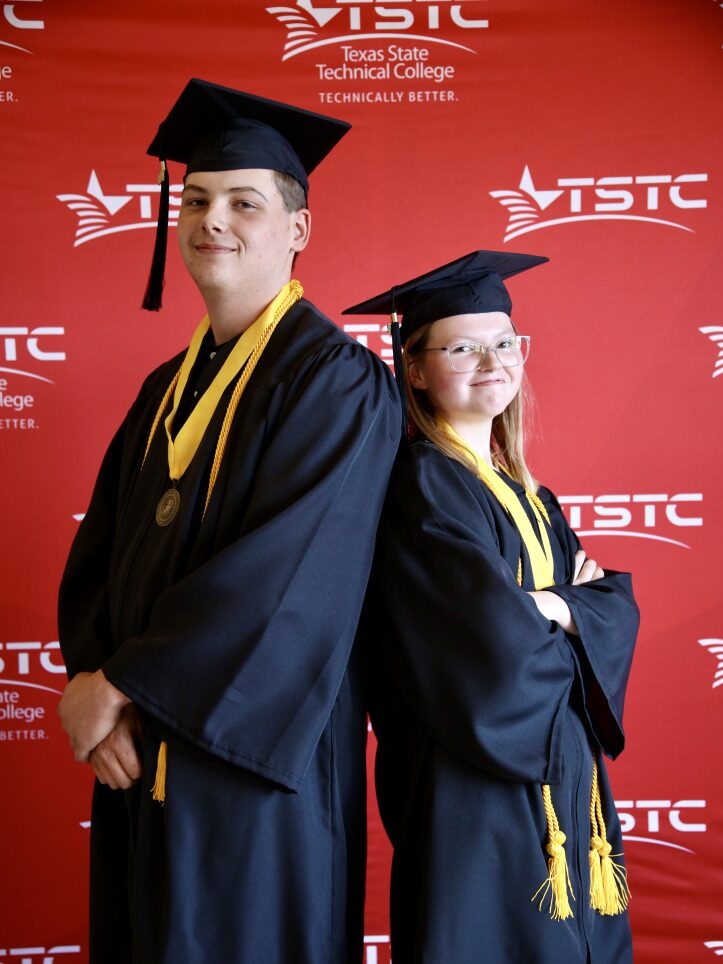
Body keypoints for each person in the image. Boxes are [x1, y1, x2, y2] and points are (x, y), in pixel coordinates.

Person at [57, 78, 401, 964]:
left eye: (244, 203)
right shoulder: (163, 389)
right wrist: (97, 686)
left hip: (251, 764)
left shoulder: (336, 382)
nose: (213, 220)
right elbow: (104, 555)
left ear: (297, 229)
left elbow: (291, 576)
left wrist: (121, 686)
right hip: (138, 751)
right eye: (199, 200)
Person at [344, 250, 639, 963]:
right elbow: (483, 639)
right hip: (472, 776)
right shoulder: (424, 483)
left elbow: (609, 603)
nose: (492, 361)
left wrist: (555, 606)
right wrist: (563, 608)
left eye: (505, 342)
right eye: (463, 347)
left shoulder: (531, 495)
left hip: (559, 768)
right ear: (413, 368)